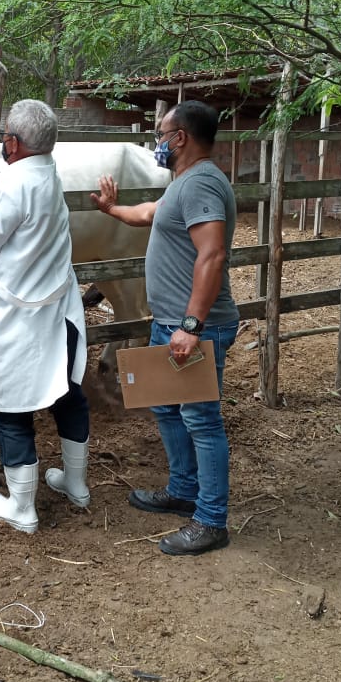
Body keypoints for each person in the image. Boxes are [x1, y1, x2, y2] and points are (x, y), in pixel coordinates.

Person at [91, 100, 239, 556]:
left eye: (160, 133)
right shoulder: (183, 184)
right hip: (171, 323)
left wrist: (192, 326)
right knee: (167, 409)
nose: (156, 141)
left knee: (200, 419)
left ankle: (211, 521)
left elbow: (212, 255)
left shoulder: (202, 185)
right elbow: (151, 214)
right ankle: (183, 491)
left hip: (195, 327)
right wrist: (112, 210)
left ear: (180, 138)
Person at [0, 99, 90, 534]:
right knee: (68, 393)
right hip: (59, 308)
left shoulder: (15, 185)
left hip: (21, 317)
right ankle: (77, 484)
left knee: (11, 406)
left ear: (14, 141)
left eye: (5, 138)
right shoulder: (48, 172)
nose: (3, 144)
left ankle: (22, 507)